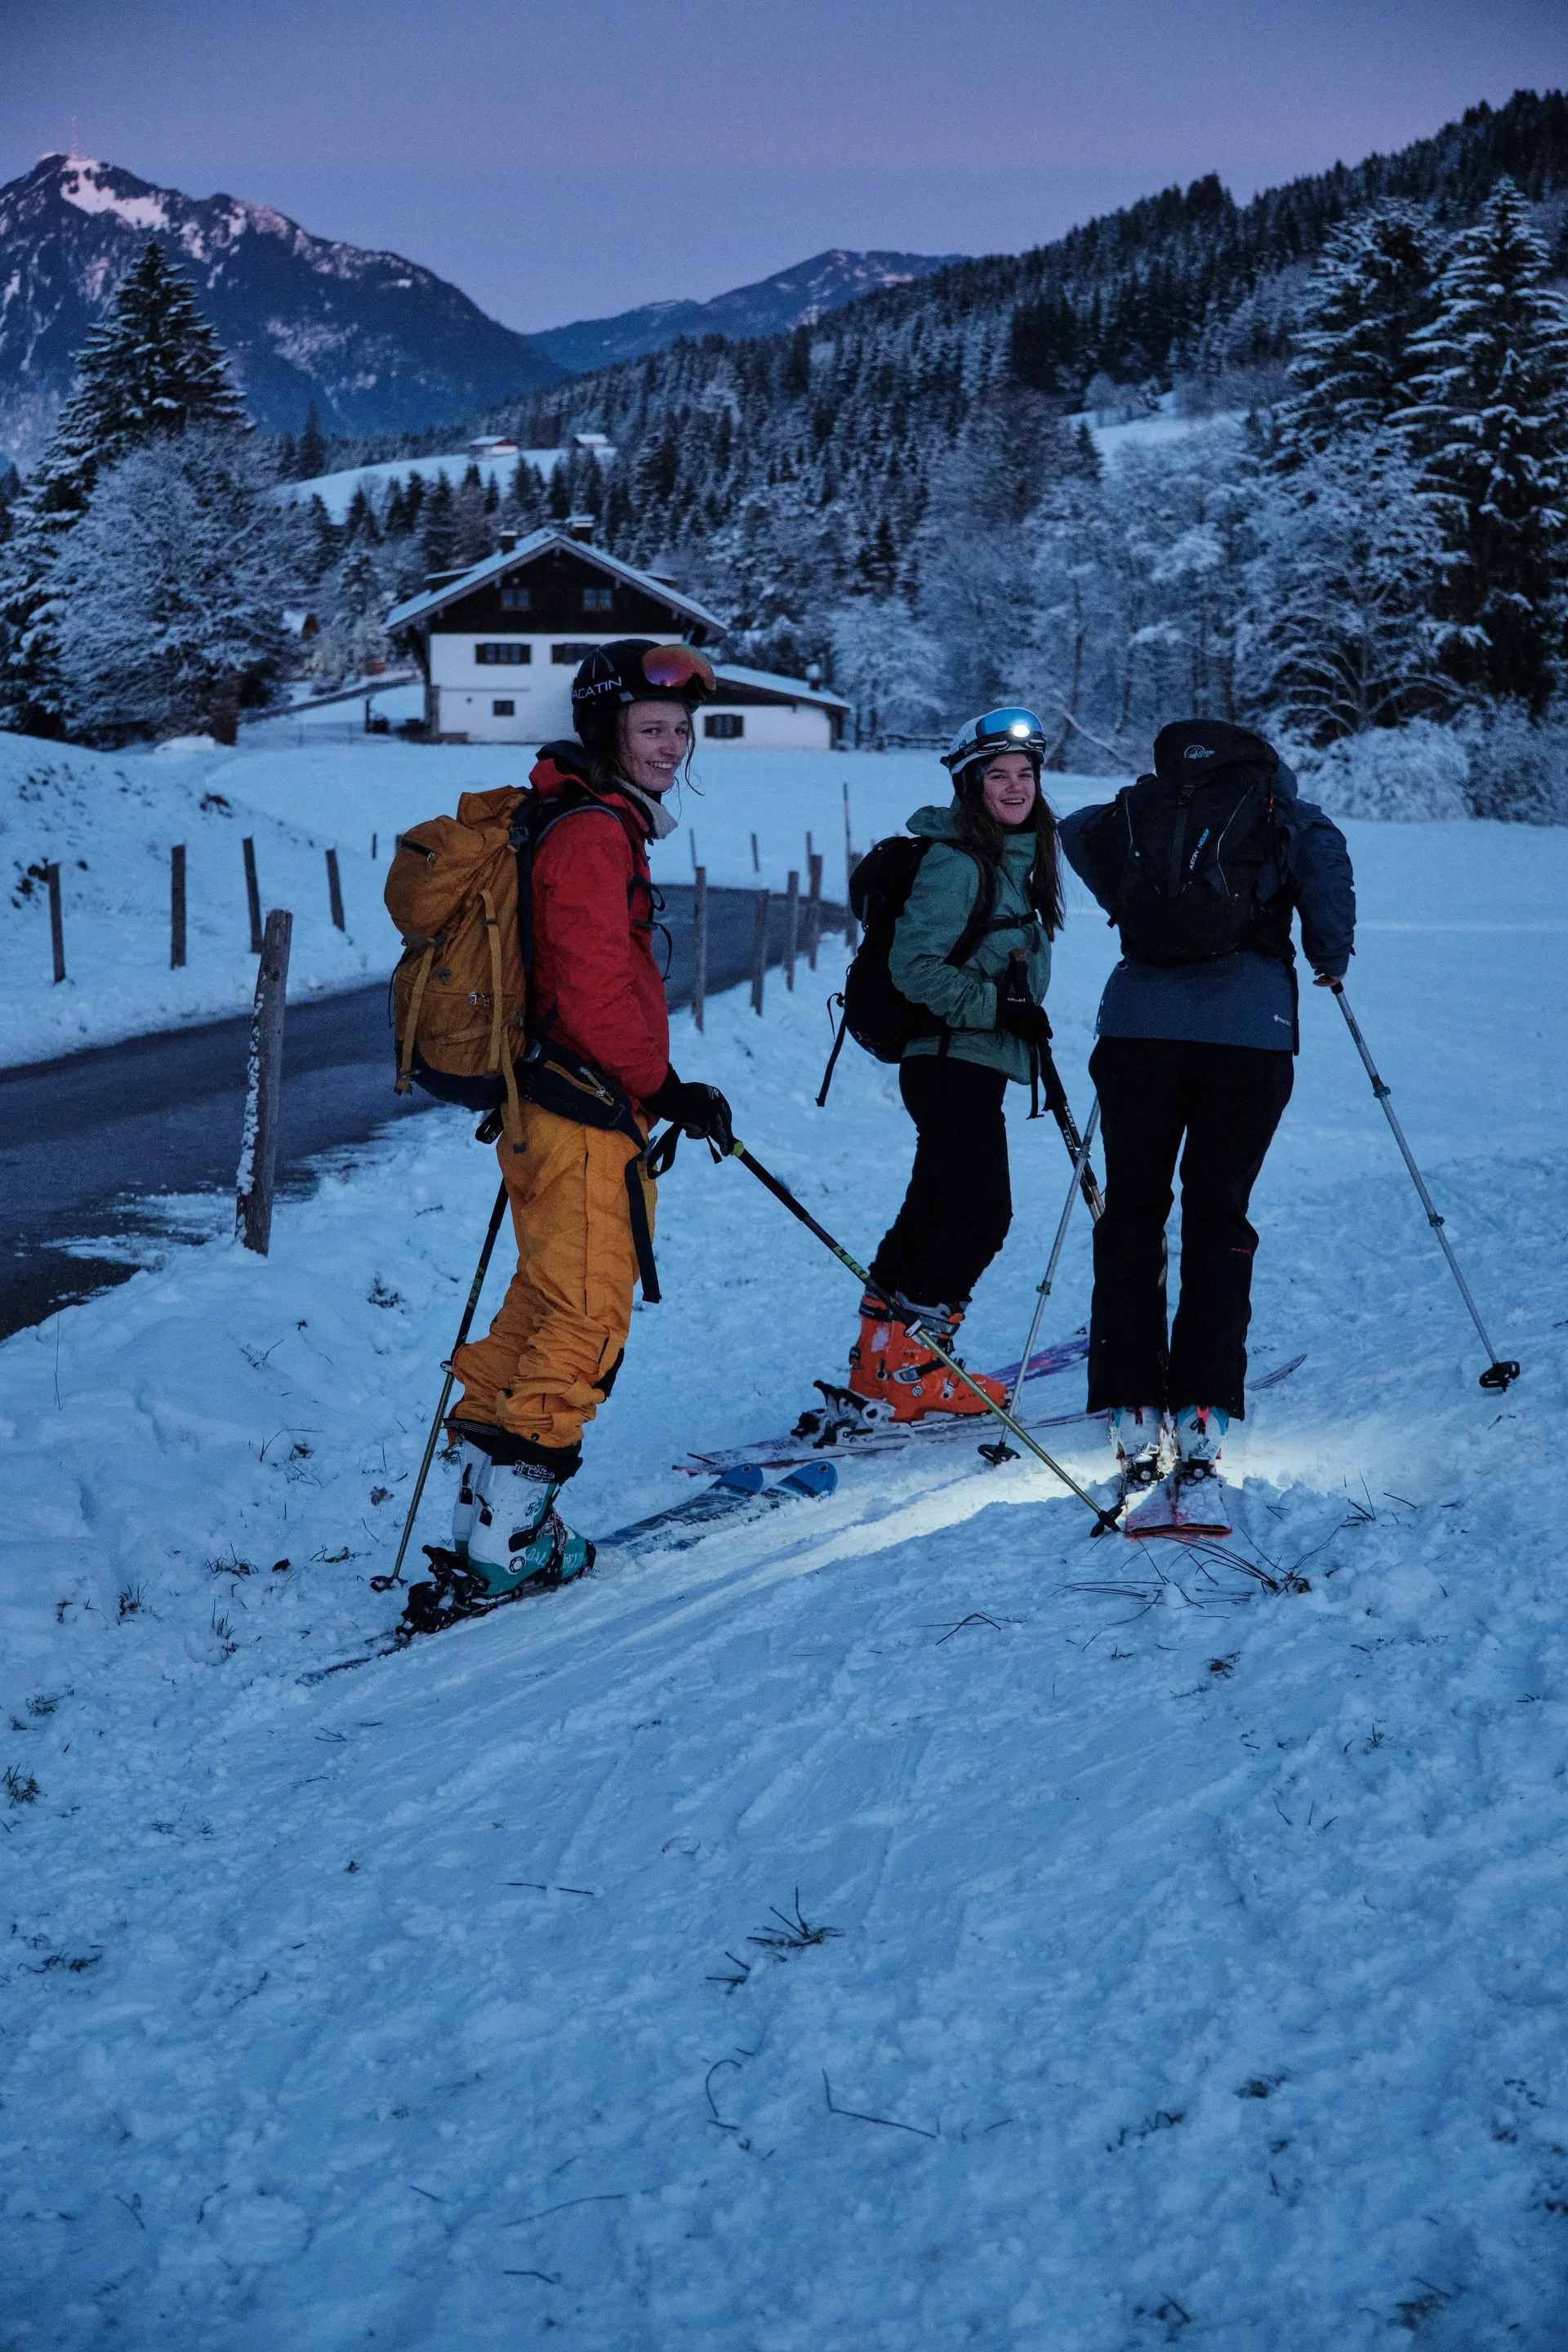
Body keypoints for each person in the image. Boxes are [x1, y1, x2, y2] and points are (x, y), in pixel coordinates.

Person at [444, 639, 734, 1597]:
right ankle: (508, 1545)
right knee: (585, 1317)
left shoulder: (581, 819)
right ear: (608, 729)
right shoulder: (592, 833)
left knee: (541, 1304)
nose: (672, 747)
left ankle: (483, 1519)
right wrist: (664, 1083)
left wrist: (655, 1087)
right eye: (653, 728)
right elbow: (598, 985)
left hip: (556, 1104)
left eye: (683, 730)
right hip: (577, 1108)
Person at [1058, 717, 1355, 1497]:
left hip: (1135, 1030)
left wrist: (1138, 910)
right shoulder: (1281, 808)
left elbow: (1078, 832)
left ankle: (1129, 1407)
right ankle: (1200, 1411)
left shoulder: (1137, 806)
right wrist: (1329, 958)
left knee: (1132, 1211)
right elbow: (1325, 875)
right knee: (1219, 1210)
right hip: (1249, 1033)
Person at [848, 707, 1065, 1421]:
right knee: (981, 1214)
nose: (1013, 787)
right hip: (949, 1060)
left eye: (1024, 774)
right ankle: (917, 1370)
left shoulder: (1012, 859)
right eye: (997, 775)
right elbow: (915, 968)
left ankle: (878, 1360)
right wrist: (1001, 1011)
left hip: (964, 1062)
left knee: (933, 1206)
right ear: (970, 786)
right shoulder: (957, 861)